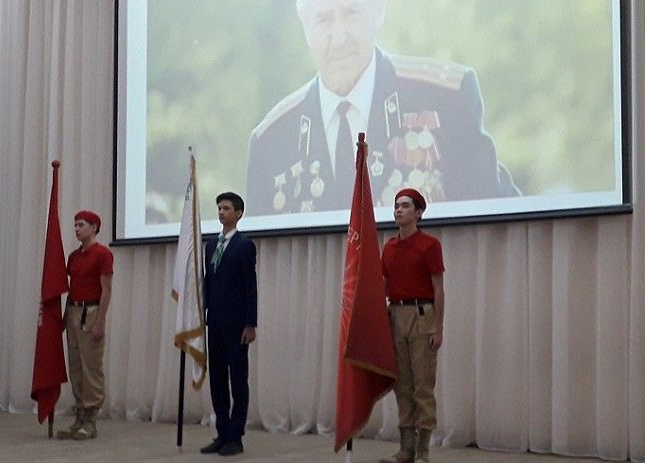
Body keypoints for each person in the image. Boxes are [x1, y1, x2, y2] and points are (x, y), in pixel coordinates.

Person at [247, 0, 519, 216]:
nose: (338, 37)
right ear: (304, 24)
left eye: (351, 12)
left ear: (379, 10)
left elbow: (500, 224)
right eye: (323, 18)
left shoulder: (445, 100)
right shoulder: (271, 140)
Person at [380, 188, 444, 463]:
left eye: (405, 206)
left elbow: (438, 288)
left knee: (422, 385)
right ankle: (406, 448)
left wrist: (438, 327)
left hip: (422, 315)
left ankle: (423, 451)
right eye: (396, 205)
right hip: (396, 315)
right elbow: (383, 285)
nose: (398, 210)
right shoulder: (389, 247)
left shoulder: (429, 245)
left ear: (418, 213)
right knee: (402, 384)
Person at [200, 192, 258, 456]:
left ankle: (236, 435)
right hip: (216, 321)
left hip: (237, 324)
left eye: (226, 208)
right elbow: (207, 283)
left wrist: (250, 323)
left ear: (238, 213)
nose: (221, 212)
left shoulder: (244, 246)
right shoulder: (211, 246)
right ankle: (222, 432)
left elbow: (250, 287)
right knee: (217, 379)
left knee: (238, 380)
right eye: (219, 208)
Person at [57, 210, 114, 440]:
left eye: (81, 225)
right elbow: (71, 289)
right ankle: (79, 416)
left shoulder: (103, 254)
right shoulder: (73, 256)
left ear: (94, 227)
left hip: (90, 313)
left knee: (91, 367)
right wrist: (63, 317)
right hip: (73, 310)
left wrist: (100, 320)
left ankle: (90, 420)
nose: (77, 229)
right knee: (76, 367)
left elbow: (106, 289)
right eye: (75, 225)